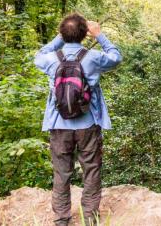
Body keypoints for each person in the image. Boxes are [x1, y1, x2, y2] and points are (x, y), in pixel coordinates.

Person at [34, 13, 122, 226]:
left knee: (62, 173)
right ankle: (89, 219)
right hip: (88, 123)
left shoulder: (51, 59)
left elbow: (39, 54)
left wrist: (59, 38)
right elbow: (116, 57)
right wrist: (99, 35)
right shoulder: (93, 58)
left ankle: (62, 220)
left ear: (63, 34)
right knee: (91, 169)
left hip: (58, 125)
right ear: (85, 35)